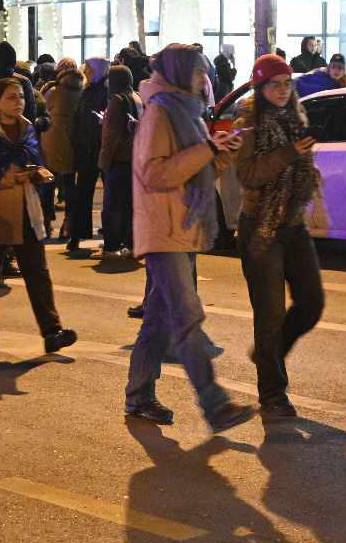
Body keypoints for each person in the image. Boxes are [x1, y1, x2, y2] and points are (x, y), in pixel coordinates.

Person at [123, 45, 257, 433]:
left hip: (184, 227)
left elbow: (198, 170)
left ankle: (138, 395)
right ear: (181, 73)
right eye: (199, 73)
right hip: (163, 229)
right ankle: (215, 406)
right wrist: (207, 149)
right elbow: (155, 174)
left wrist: (222, 153)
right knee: (185, 316)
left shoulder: (187, 111)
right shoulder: (160, 113)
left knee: (161, 319)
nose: (205, 80)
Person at [0, 76, 79, 359]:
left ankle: (52, 331)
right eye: (11, 97)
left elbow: (35, 159)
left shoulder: (28, 128)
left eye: (21, 97)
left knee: (38, 272)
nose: (18, 102)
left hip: (25, 208)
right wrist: (12, 177)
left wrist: (36, 173)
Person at [230, 54, 325, 419]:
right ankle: (272, 392)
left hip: (293, 224)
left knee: (312, 302)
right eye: (275, 84)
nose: (283, 91)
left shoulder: (296, 118)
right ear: (261, 87)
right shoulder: (249, 125)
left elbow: (303, 168)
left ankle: (269, 354)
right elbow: (248, 176)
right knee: (268, 315)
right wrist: (289, 154)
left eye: (287, 84)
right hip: (261, 228)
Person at [96, 64, 141, 259]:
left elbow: (111, 136)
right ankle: (131, 245)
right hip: (135, 159)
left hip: (119, 159)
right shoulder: (137, 97)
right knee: (131, 206)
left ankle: (111, 247)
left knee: (113, 207)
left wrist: (103, 162)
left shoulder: (116, 100)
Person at [68, 57, 108, 257]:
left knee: (104, 194)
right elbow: (79, 119)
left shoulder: (104, 92)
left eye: (90, 69)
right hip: (87, 149)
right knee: (83, 193)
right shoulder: (89, 90)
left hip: (99, 149)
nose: (87, 72)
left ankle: (109, 235)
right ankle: (77, 235)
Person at [40, 64, 82, 237]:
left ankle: (46, 223)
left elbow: (42, 111)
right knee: (70, 185)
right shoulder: (82, 92)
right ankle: (69, 223)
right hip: (72, 143)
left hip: (50, 141)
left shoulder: (53, 91)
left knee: (47, 184)